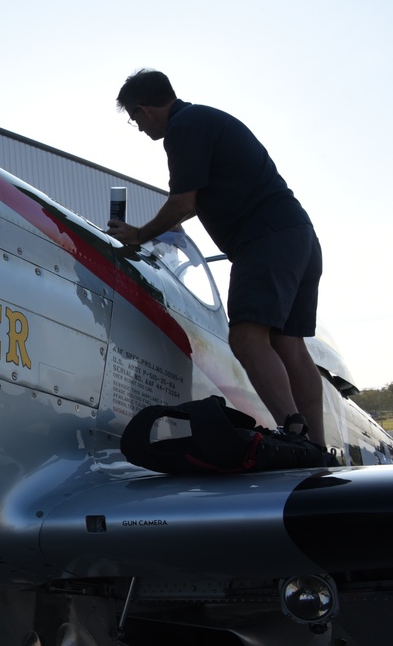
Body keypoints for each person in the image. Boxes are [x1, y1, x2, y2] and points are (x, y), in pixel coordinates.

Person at [108, 69, 324, 445]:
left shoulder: (184, 127)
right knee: (289, 343)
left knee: (244, 337)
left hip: (265, 239)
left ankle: (295, 434)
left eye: (134, 120)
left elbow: (183, 203)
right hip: (297, 235)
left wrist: (139, 235)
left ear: (142, 109)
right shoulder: (205, 119)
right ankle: (317, 446)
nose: (139, 129)